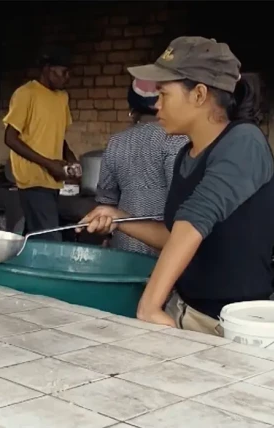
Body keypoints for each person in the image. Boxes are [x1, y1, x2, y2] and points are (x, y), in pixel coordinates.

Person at [79, 36, 274, 335]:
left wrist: (149, 306)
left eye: (163, 94)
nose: (156, 105)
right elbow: (176, 236)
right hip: (184, 310)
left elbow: (193, 221)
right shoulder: (187, 153)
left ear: (198, 95)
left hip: (229, 326)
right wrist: (119, 218)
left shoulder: (243, 142)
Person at [96, 79, 188, 255]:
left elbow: (106, 199)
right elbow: (181, 199)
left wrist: (108, 235)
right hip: (164, 245)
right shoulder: (176, 139)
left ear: (132, 111)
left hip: (124, 243)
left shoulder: (116, 142)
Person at [3, 46, 80, 241]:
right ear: (47, 69)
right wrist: (48, 164)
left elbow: (57, 135)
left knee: (34, 237)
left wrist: (70, 158)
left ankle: (15, 266)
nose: (67, 77)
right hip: (33, 180)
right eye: (63, 72)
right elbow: (10, 138)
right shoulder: (26, 94)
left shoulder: (62, 97)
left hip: (52, 180)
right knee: (51, 240)